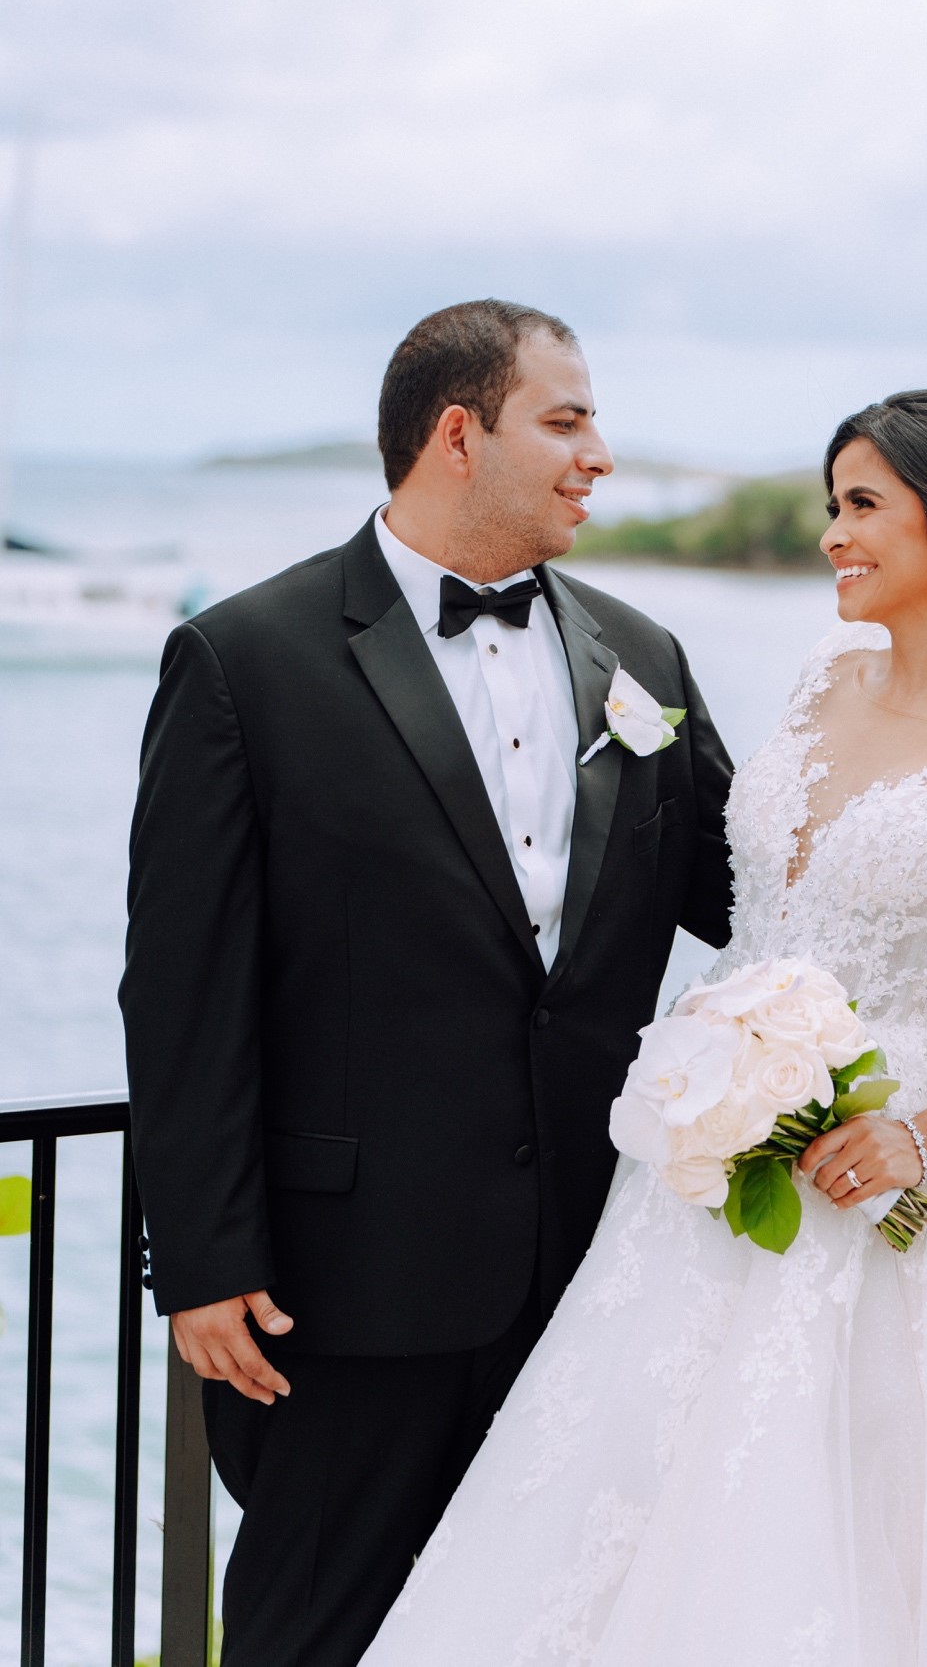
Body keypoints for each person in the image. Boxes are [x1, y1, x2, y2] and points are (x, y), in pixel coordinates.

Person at [362, 389, 927, 1666]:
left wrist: (924, 1136)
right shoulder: (820, 681)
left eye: (860, 504)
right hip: (714, 1146)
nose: (830, 535)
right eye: (827, 505)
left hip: (898, 1155)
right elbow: (751, 903)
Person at [118, 299, 735, 1666]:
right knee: (308, 1634)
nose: (600, 455)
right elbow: (180, 988)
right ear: (459, 435)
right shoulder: (244, 661)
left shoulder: (644, 660)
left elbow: (753, 901)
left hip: (593, 1271)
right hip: (343, 1291)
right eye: (565, 420)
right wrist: (203, 1261)